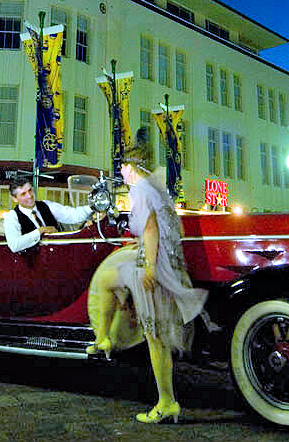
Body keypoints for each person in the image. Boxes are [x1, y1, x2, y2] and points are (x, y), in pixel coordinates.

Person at [86, 129, 207, 424]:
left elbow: (151, 228)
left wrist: (150, 267)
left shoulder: (140, 190)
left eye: (123, 168)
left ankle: (166, 401)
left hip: (155, 262)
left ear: (131, 167)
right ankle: (103, 339)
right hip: (163, 257)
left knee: (156, 337)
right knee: (106, 281)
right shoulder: (154, 189)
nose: (122, 173)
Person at [1, 176, 94, 253]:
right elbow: (14, 245)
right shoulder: (12, 217)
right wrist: (40, 231)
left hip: (58, 255)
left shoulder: (46, 205)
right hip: (33, 267)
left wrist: (93, 208)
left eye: (30, 190)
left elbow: (72, 214)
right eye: (23, 194)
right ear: (14, 199)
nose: (29, 196)